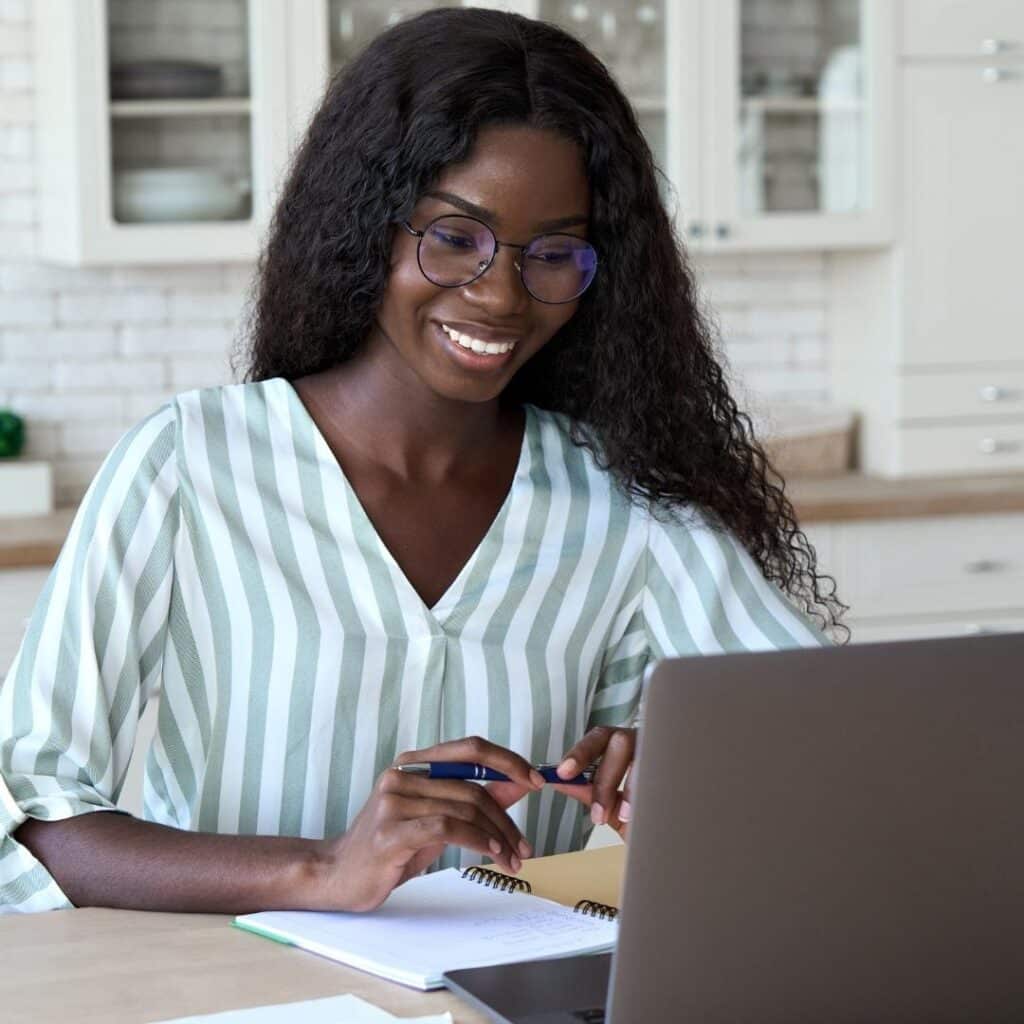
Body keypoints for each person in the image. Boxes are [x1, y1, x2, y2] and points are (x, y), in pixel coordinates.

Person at [0, 8, 843, 916]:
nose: (499, 296)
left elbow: (838, 744)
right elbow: (33, 819)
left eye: (552, 254)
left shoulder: (622, 498)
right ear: (369, 224)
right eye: (454, 237)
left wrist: (687, 763)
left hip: (509, 1001)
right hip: (245, 999)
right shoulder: (190, 465)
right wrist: (322, 869)